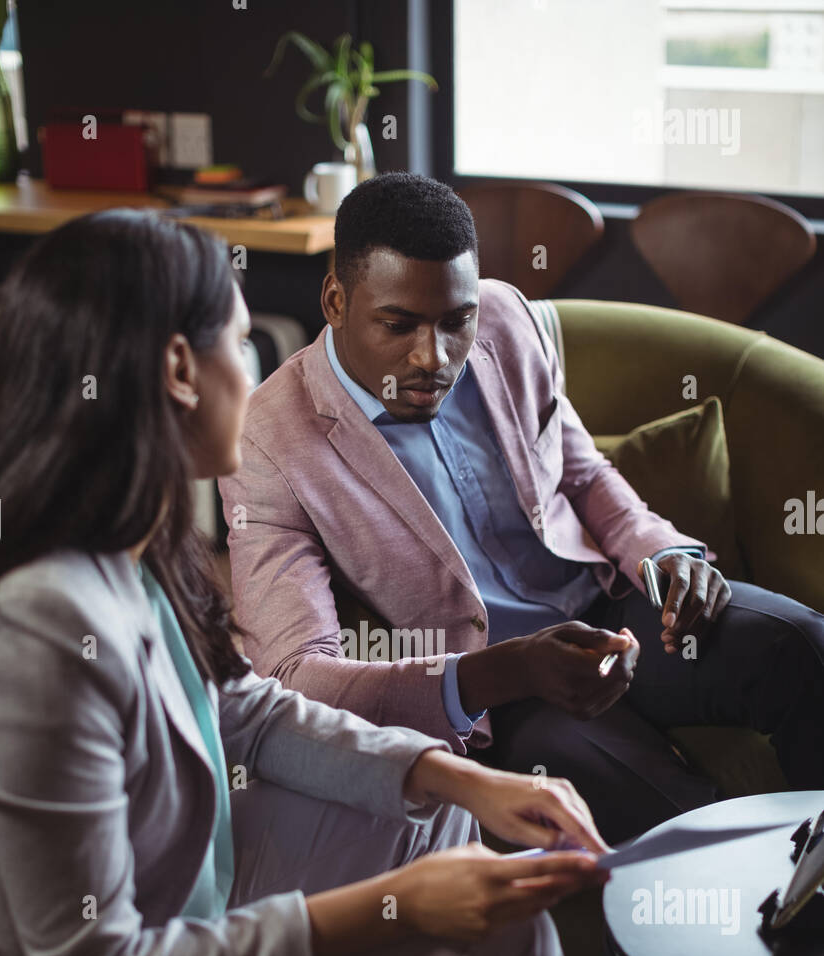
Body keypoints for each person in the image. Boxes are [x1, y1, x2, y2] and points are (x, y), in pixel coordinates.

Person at [0, 209, 611, 956]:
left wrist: (461, 774)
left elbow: (247, 711)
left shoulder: (141, 542)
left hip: (159, 947)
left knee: (445, 827)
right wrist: (397, 905)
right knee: (489, 943)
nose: (257, 365)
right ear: (177, 365)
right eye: (238, 333)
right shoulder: (38, 628)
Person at [220, 172, 824, 844]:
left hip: (608, 604)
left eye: (456, 322)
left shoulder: (506, 317)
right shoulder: (267, 442)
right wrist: (503, 671)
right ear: (335, 299)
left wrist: (664, 554)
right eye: (398, 325)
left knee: (803, 646)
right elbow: (294, 679)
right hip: (497, 690)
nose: (434, 357)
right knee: (683, 827)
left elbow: (580, 469)